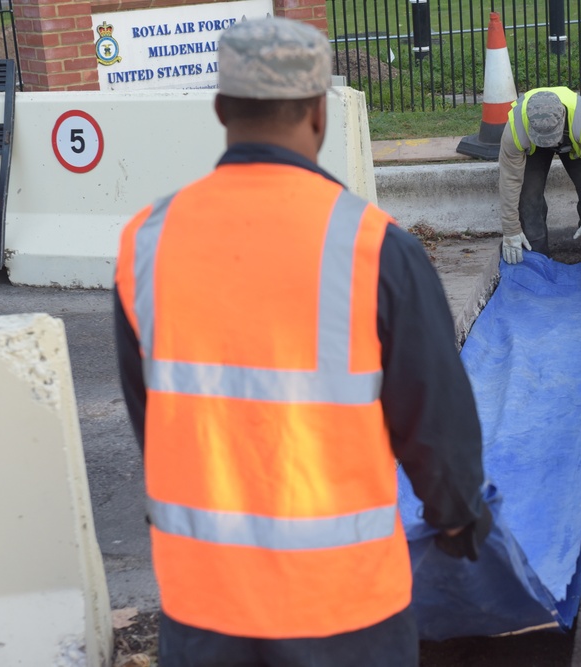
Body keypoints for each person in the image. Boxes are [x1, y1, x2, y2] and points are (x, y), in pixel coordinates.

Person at [113, 17, 491, 667]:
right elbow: (433, 414)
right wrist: (457, 515)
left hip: (203, 600)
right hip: (344, 608)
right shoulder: (373, 246)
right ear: (319, 113)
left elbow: (151, 410)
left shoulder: (146, 240)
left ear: (221, 108)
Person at [498, 87, 581, 264]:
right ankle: (536, 265)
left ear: (562, 117)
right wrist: (511, 229)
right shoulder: (515, 129)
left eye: (551, 137)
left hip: (574, 141)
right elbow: (509, 181)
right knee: (528, 197)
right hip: (532, 146)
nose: (549, 143)